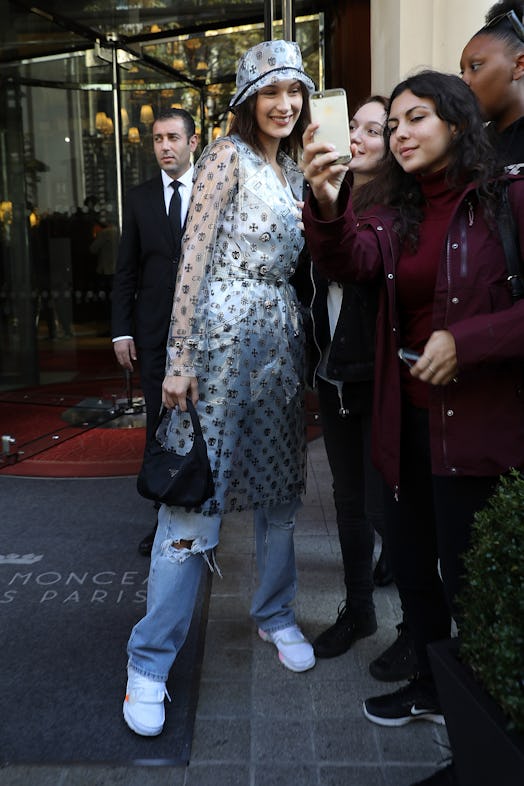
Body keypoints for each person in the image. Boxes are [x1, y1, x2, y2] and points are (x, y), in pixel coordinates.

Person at [302, 70, 524, 785]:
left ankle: (484, 740)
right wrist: (325, 202)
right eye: (392, 121)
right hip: (407, 425)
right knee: (415, 568)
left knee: (469, 584)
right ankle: (435, 687)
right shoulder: (393, 212)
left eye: (416, 117)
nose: (399, 132)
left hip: (482, 429)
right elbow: (348, 261)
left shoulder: (509, 197)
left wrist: (472, 339)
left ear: (458, 123)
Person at [122, 40, 317, 738]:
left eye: (294, 90)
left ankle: (274, 613)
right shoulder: (224, 158)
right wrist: (179, 357)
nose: (285, 104)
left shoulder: (292, 170)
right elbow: (192, 261)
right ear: (246, 99)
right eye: (271, 91)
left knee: (279, 497)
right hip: (218, 347)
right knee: (193, 502)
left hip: (278, 347)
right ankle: (147, 662)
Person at [308, 95, 416, 682]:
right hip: (335, 372)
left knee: (386, 502)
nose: (360, 136)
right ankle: (360, 610)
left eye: (376, 130)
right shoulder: (336, 190)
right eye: (356, 125)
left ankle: (416, 632)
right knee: (348, 500)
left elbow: (356, 261)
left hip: (379, 376)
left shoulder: (403, 206)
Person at [111, 108, 199, 556]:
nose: (164, 146)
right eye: (157, 139)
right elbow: (126, 270)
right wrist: (120, 331)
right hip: (150, 335)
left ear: (192, 142)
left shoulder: (211, 191)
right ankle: (163, 520)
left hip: (203, 335)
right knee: (158, 429)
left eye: (172, 138)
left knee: (203, 427)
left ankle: (203, 518)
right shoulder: (141, 197)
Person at [460, 1, 524, 172]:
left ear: (519, 65)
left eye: (475, 67)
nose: (464, 81)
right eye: (462, 72)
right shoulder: (470, 150)